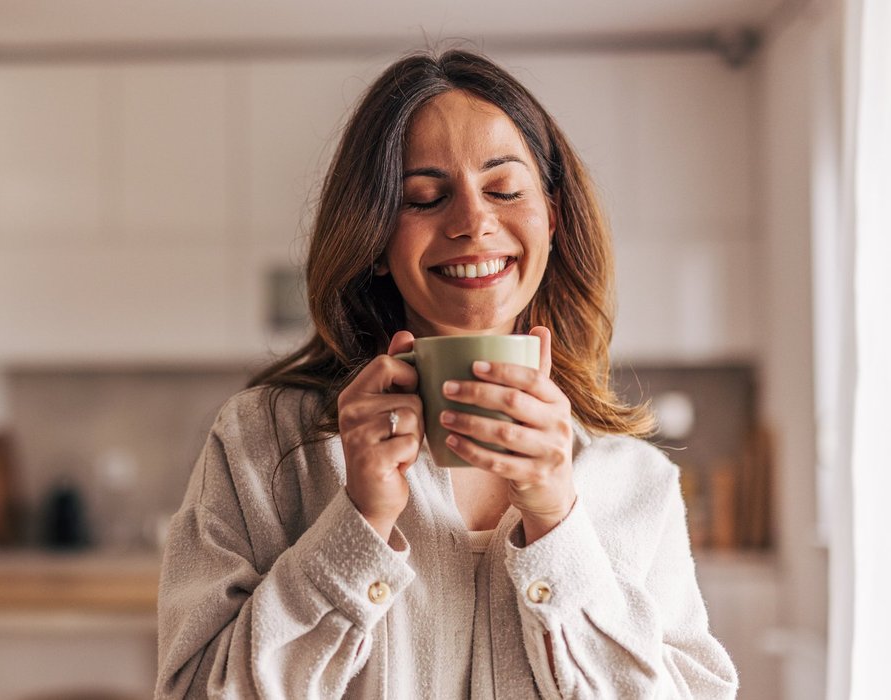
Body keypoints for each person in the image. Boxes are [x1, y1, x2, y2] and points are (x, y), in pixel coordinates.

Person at [155, 48, 739, 699]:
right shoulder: (262, 443)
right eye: (424, 198)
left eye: (503, 190)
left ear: (550, 217)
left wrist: (557, 522)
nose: (471, 222)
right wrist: (357, 523)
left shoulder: (632, 478)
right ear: (374, 238)